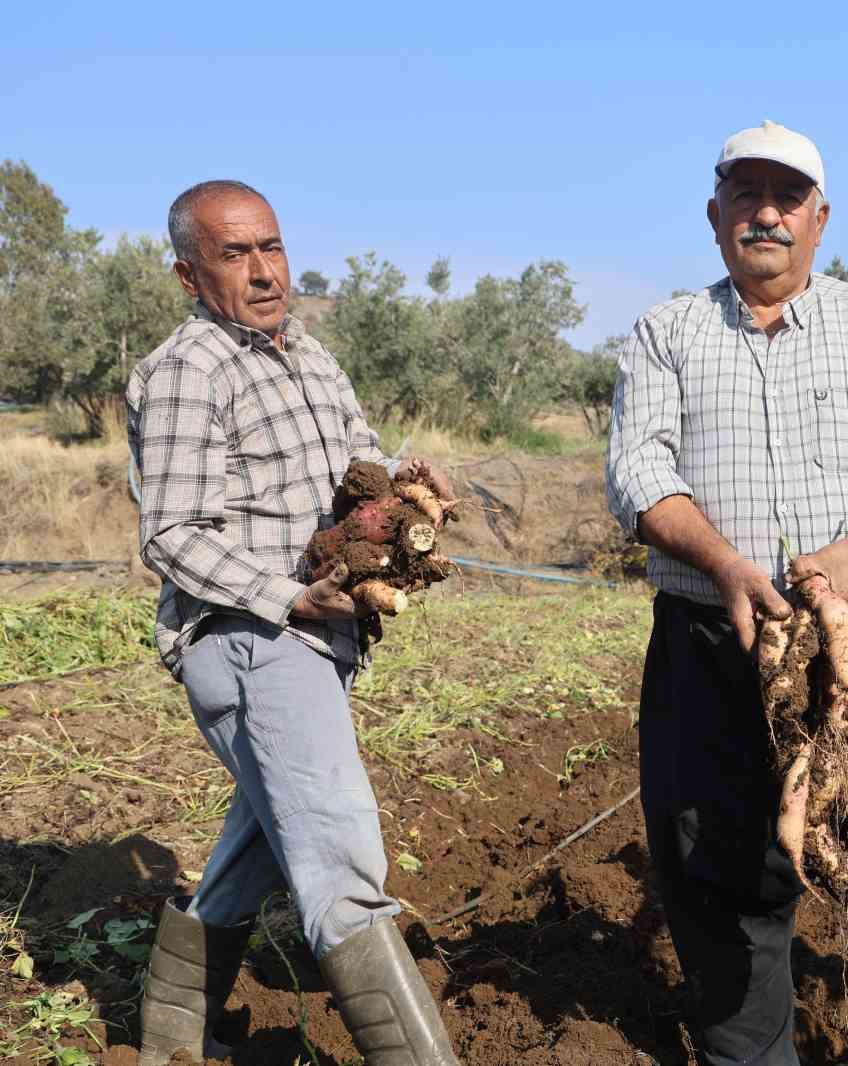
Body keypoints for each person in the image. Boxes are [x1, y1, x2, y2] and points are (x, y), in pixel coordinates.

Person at [606, 121, 848, 1065]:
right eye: (747, 195)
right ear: (715, 213)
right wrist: (727, 565)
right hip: (714, 636)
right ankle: (749, 1054)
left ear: (820, 218)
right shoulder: (667, 333)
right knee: (716, 865)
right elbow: (638, 473)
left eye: (787, 198)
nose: (766, 214)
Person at [126, 180, 460, 1066]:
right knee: (341, 860)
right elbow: (171, 535)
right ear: (189, 276)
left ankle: (170, 1036)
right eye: (234, 254)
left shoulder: (309, 356)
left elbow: (359, 466)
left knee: (264, 841)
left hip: (310, 640)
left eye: (270, 246)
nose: (263, 271)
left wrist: (406, 491)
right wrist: (288, 597)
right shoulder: (189, 370)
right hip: (249, 638)